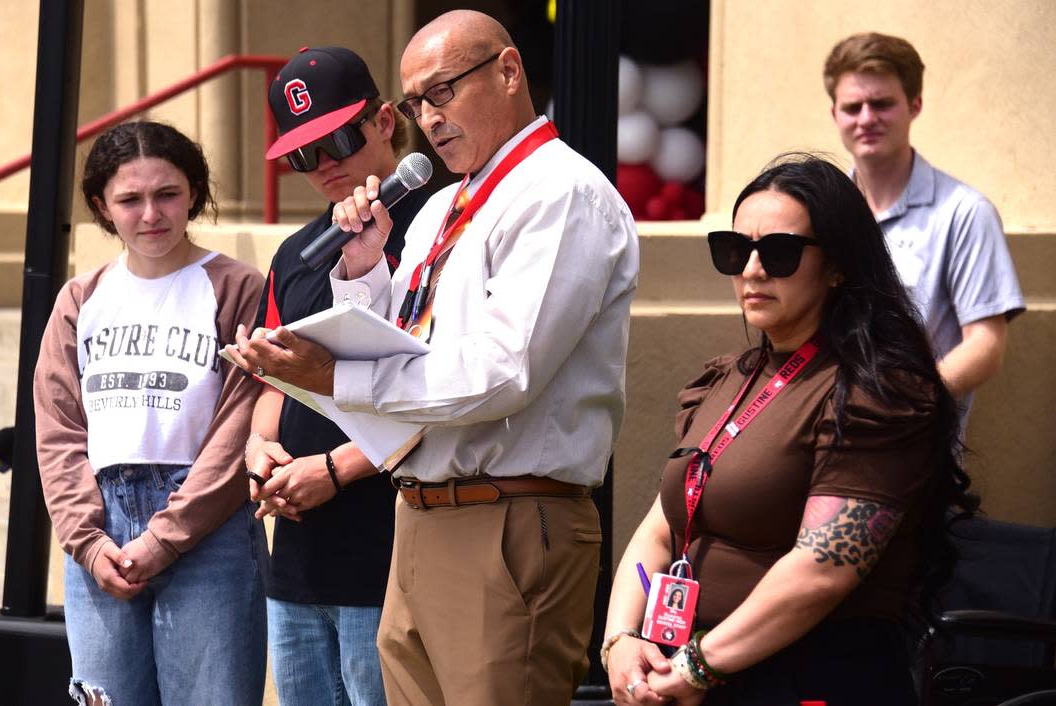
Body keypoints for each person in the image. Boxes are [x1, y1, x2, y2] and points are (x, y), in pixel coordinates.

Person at [227, 10, 639, 706]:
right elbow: (412, 352)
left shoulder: (559, 190)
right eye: (417, 101)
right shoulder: (448, 199)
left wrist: (331, 374)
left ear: (509, 71)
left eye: (442, 91)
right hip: (417, 513)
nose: (430, 117)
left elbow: (502, 372)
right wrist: (362, 273)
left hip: (508, 513)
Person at [603, 154, 978, 706]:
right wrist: (619, 642)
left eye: (779, 252)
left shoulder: (878, 390)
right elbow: (661, 529)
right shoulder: (727, 379)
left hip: (806, 678)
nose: (752, 269)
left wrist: (697, 666)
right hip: (689, 672)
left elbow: (823, 568)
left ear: (837, 265)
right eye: (734, 250)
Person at [34, 120, 267, 705]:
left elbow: (238, 424)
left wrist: (166, 536)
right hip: (102, 532)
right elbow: (59, 429)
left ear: (193, 191)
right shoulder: (79, 299)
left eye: (167, 194)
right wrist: (88, 541)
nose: (151, 214)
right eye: (129, 199)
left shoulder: (238, 287)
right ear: (101, 207)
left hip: (208, 529)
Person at [243, 46, 427, 706]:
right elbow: (273, 375)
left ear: (384, 121)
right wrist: (257, 449)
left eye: (337, 140)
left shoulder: (434, 228)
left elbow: (436, 389)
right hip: (295, 552)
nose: (322, 166)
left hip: (383, 541)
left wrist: (334, 469)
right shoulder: (296, 250)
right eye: (301, 154)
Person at [823, 32, 1025, 423]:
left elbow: (985, 344)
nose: (866, 118)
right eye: (853, 107)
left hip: (913, 452)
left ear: (914, 105)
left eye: (882, 104)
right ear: (835, 114)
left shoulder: (964, 213)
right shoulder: (822, 212)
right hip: (819, 436)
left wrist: (901, 410)